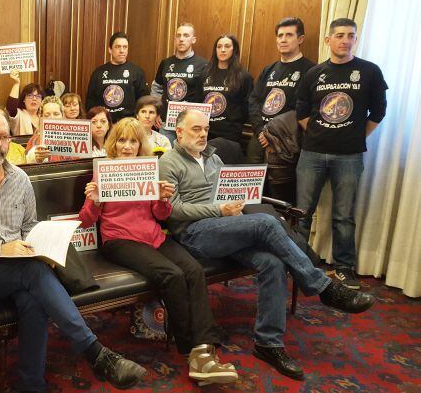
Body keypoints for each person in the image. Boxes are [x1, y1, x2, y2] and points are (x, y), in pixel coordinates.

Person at [158, 109, 375, 380]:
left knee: (272, 262)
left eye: (205, 129)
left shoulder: (213, 157)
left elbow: (228, 190)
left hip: (227, 227)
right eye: (195, 129)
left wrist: (238, 198)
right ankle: (323, 287)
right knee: (265, 223)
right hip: (194, 235)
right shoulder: (168, 162)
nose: (203, 134)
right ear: (178, 132)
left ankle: (268, 343)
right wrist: (219, 210)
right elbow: (173, 210)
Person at [0, 108, 146, 392]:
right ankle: (95, 352)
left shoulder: (20, 179)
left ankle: (31, 385)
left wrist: (44, 247)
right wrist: (1, 249)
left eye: (3, 136)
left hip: (23, 268)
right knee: (32, 272)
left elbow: (29, 225)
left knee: (32, 298)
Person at [79, 118, 237, 385]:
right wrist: (94, 201)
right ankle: (192, 352)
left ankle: (203, 347)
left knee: (193, 270)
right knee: (172, 275)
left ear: (141, 144)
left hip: (152, 235)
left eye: (133, 141)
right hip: (119, 240)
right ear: (113, 143)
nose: (127, 146)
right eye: (121, 140)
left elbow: (160, 214)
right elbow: (86, 221)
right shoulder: (103, 171)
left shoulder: (148, 170)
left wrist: (163, 198)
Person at [295, 18, 388, 290]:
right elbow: (302, 112)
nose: (345, 40)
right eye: (339, 35)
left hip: (349, 156)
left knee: (344, 216)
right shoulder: (314, 73)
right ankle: (298, 262)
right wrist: (319, 134)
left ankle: (344, 268)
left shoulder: (369, 72)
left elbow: (379, 111)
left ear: (355, 40)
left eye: (350, 36)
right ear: (328, 40)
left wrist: (356, 136)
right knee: (301, 213)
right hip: (312, 153)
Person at [247, 17, 316, 164]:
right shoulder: (269, 69)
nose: (283, 40)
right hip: (259, 138)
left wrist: (274, 134)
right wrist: (261, 131)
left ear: (300, 39)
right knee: (252, 186)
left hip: (286, 142)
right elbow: (254, 100)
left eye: (289, 35)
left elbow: (303, 109)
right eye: (280, 35)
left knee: (279, 187)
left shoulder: (311, 71)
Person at [151, 23, 209, 140]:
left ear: (193, 40)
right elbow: (156, 88)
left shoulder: (203, 65)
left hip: (191, 125)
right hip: (167, 123)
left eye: (186, 35)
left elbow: (207, 95)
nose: (181, 39)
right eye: (179, 35)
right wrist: (156, 111)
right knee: (165, 156)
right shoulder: (166, 63)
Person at [85, 32, 149, 122]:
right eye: (118, 47)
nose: (122, 50)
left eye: (125, 47)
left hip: (128, 124)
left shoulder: (137, 72)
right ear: (110, 50)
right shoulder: (98, 72)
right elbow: (90, 102)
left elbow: (144, 101)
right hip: (105, 124)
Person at [202, 35, 254, 143]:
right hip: (205, 132)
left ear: (234, 49)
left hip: (229, 134)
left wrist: (234, 121)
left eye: (227, 46)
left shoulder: (243, 76)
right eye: (219, 46)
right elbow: (198, 100)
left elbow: (247, 106)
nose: (223, 50)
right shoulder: (205, 73)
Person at [25, 96, 70, 163]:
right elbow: (27, 164)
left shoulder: (74, 137)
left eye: (56, 114)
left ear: (62, 115)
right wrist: (35, 158)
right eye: (47, 115)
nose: (52, 118)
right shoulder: (34, 140)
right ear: (41, 117)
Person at [6, 69, 44, 135]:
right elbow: (10, 108)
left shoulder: (44, 115)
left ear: (41, 101)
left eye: (37, 96)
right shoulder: (19, 114)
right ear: (24, 100)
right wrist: (16, 83)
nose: (34, 99)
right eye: (30, 95)